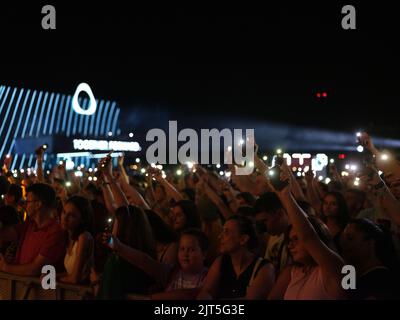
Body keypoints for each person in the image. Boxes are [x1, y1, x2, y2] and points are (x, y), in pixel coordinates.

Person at [267, 170, 345, 300]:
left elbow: (308, 236)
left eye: (296, 239)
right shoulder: (294, 272)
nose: (290, 245)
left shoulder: (338, 268)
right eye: (289, 240)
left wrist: (285, 195)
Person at [104, 228, 209, 299]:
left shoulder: (209, 277)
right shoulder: (172, 272)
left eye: (191, 250)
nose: (185, 254)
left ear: (204, 254)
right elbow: (145, 262)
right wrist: (119, 247)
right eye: (182, 249)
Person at [197, 215, 275, 300]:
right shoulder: (221, 261)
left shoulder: (264, 268)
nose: (220, 237)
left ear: (243, 239)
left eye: (226, 232)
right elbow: (207, 291)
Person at [0, 183, 66, 276]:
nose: (24, 205)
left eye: (27, 202)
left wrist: (5, 267)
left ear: (38, 204)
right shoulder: (30, 224)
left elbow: (36, 269)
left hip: (39, 289)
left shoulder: (55, 231)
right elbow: (7, 234)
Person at [341, 218, 400, 299]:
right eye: (343, 239)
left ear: (370, 243)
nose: (343, 244)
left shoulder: (382, 281)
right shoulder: (353, 275)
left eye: (350, 238)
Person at [58, 195, 94, 284]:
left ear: (82, 219)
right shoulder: (69, 237)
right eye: (64, 212)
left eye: (72, 215)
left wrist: (55, 280)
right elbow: (70, 273)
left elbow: (75, 278)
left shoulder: (84, 237)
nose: (65, 218)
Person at [255, 192, 291, 275]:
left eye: (265, 221)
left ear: (280, 214)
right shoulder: (273, 236)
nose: (263, 227)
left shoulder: (296, 238)